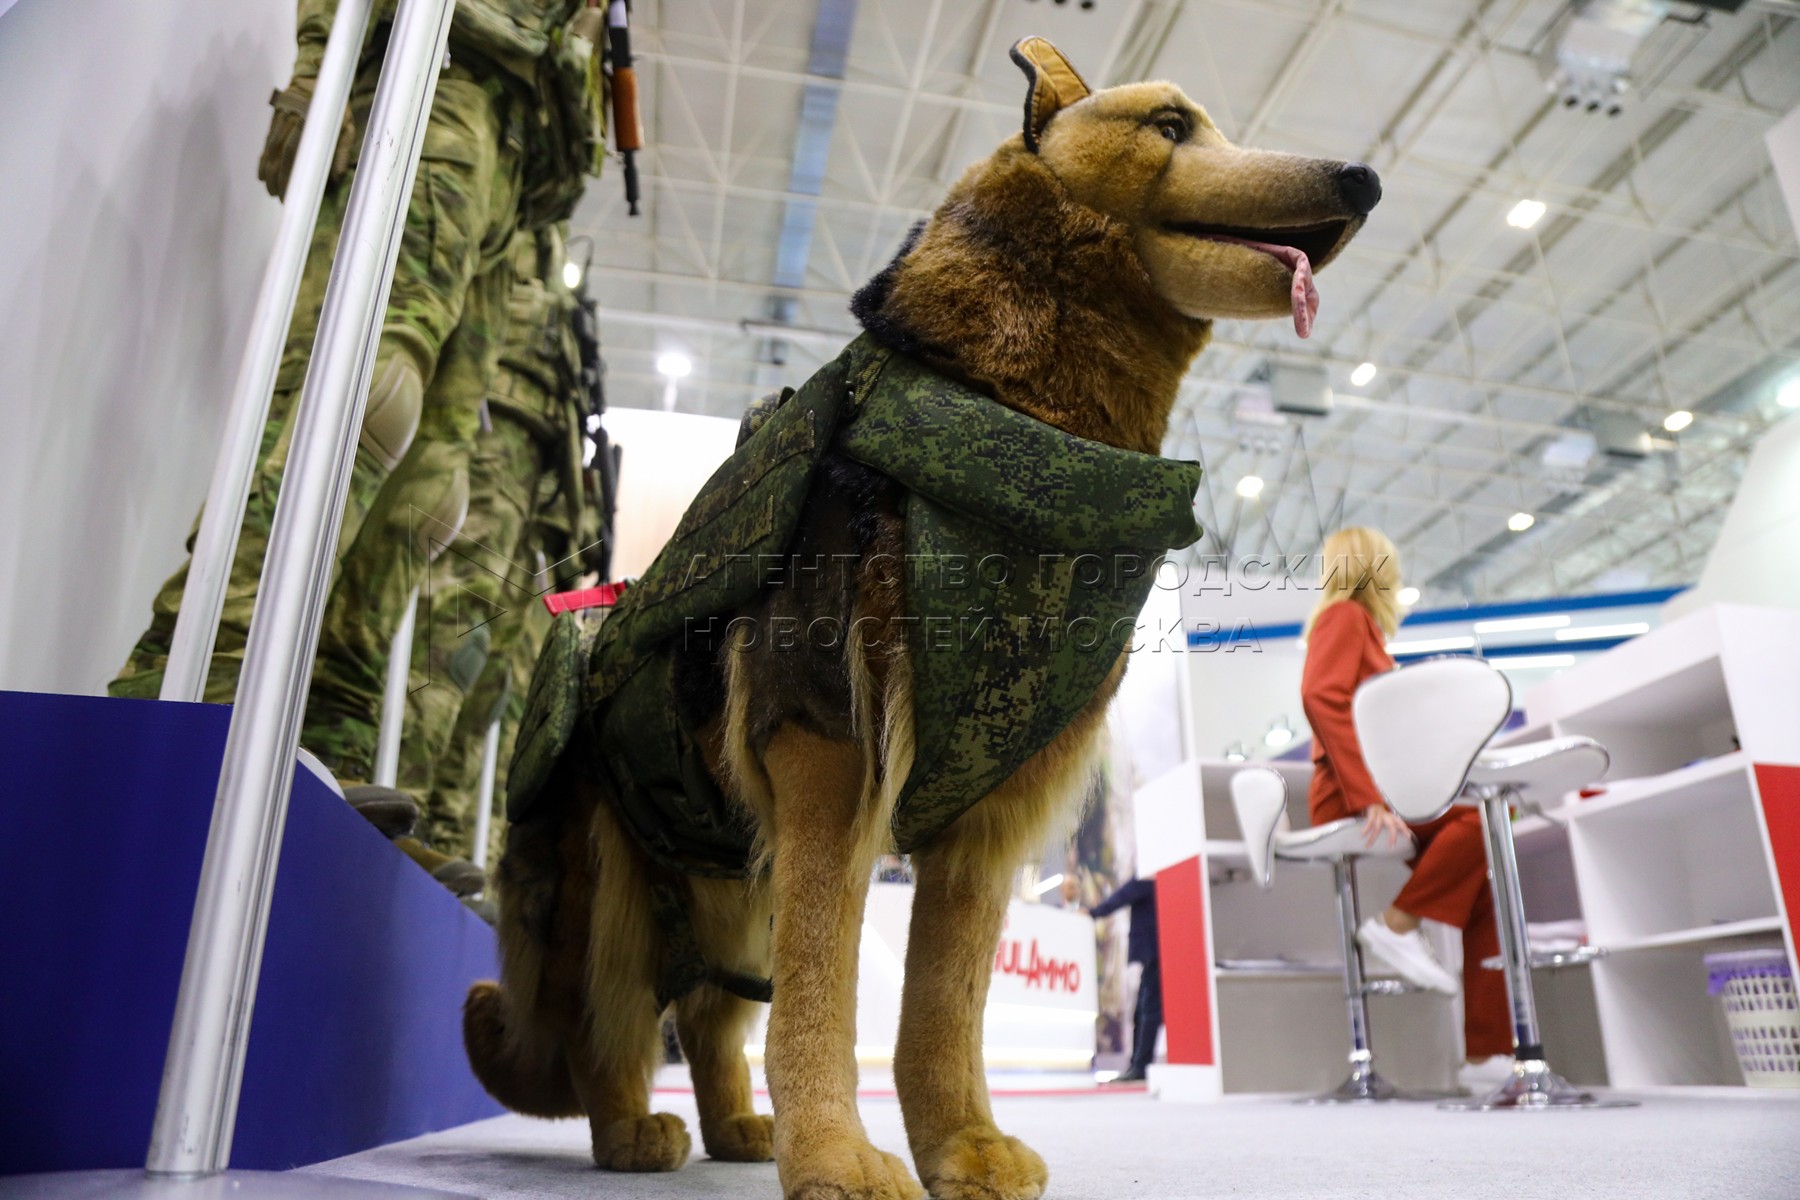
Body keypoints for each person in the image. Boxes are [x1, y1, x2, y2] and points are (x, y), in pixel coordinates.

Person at [1299, 526, 1510, 1065]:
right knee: (1489, 819)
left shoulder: (1362, 628)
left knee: (1486, 880)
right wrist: (1368, 795)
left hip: (1381, 791)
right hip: (1349, 795)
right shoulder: (1346, 617)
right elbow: (1321, 697)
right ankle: (1397, 923)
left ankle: (1488, 1056)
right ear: (1375, 567)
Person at [1089, 876, 1161, 1083]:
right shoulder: (1159, 875)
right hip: (1156, 952)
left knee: (1148, 1010)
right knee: (1144, 1010)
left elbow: (1125, 895)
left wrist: (1093, 913)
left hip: (1155, 952)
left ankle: (1141, 1066)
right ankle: (1139, 1065)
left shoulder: (1149, 875)